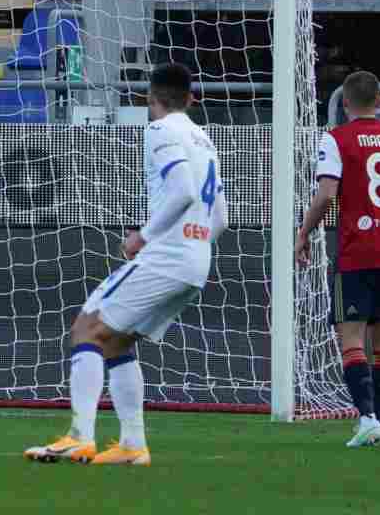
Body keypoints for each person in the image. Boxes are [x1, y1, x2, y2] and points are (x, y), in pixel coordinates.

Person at [25, 63, 226, 465]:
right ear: (191, 98)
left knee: (86, 327)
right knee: (116, 341)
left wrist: (143, 236)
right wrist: (193, 245)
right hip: (195, 260)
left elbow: (183, 191)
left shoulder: (160, 130)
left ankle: (80, 436)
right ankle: (133, 446)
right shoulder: (204, 139)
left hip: (166, 257)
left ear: (151, 100)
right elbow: (219, 215)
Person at [296, 70, 380, 447]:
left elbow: (326, 195)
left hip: (358, 249)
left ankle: (368, 418)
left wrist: (304, 233)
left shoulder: (337, 138)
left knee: (351, 336)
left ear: (344, 104)